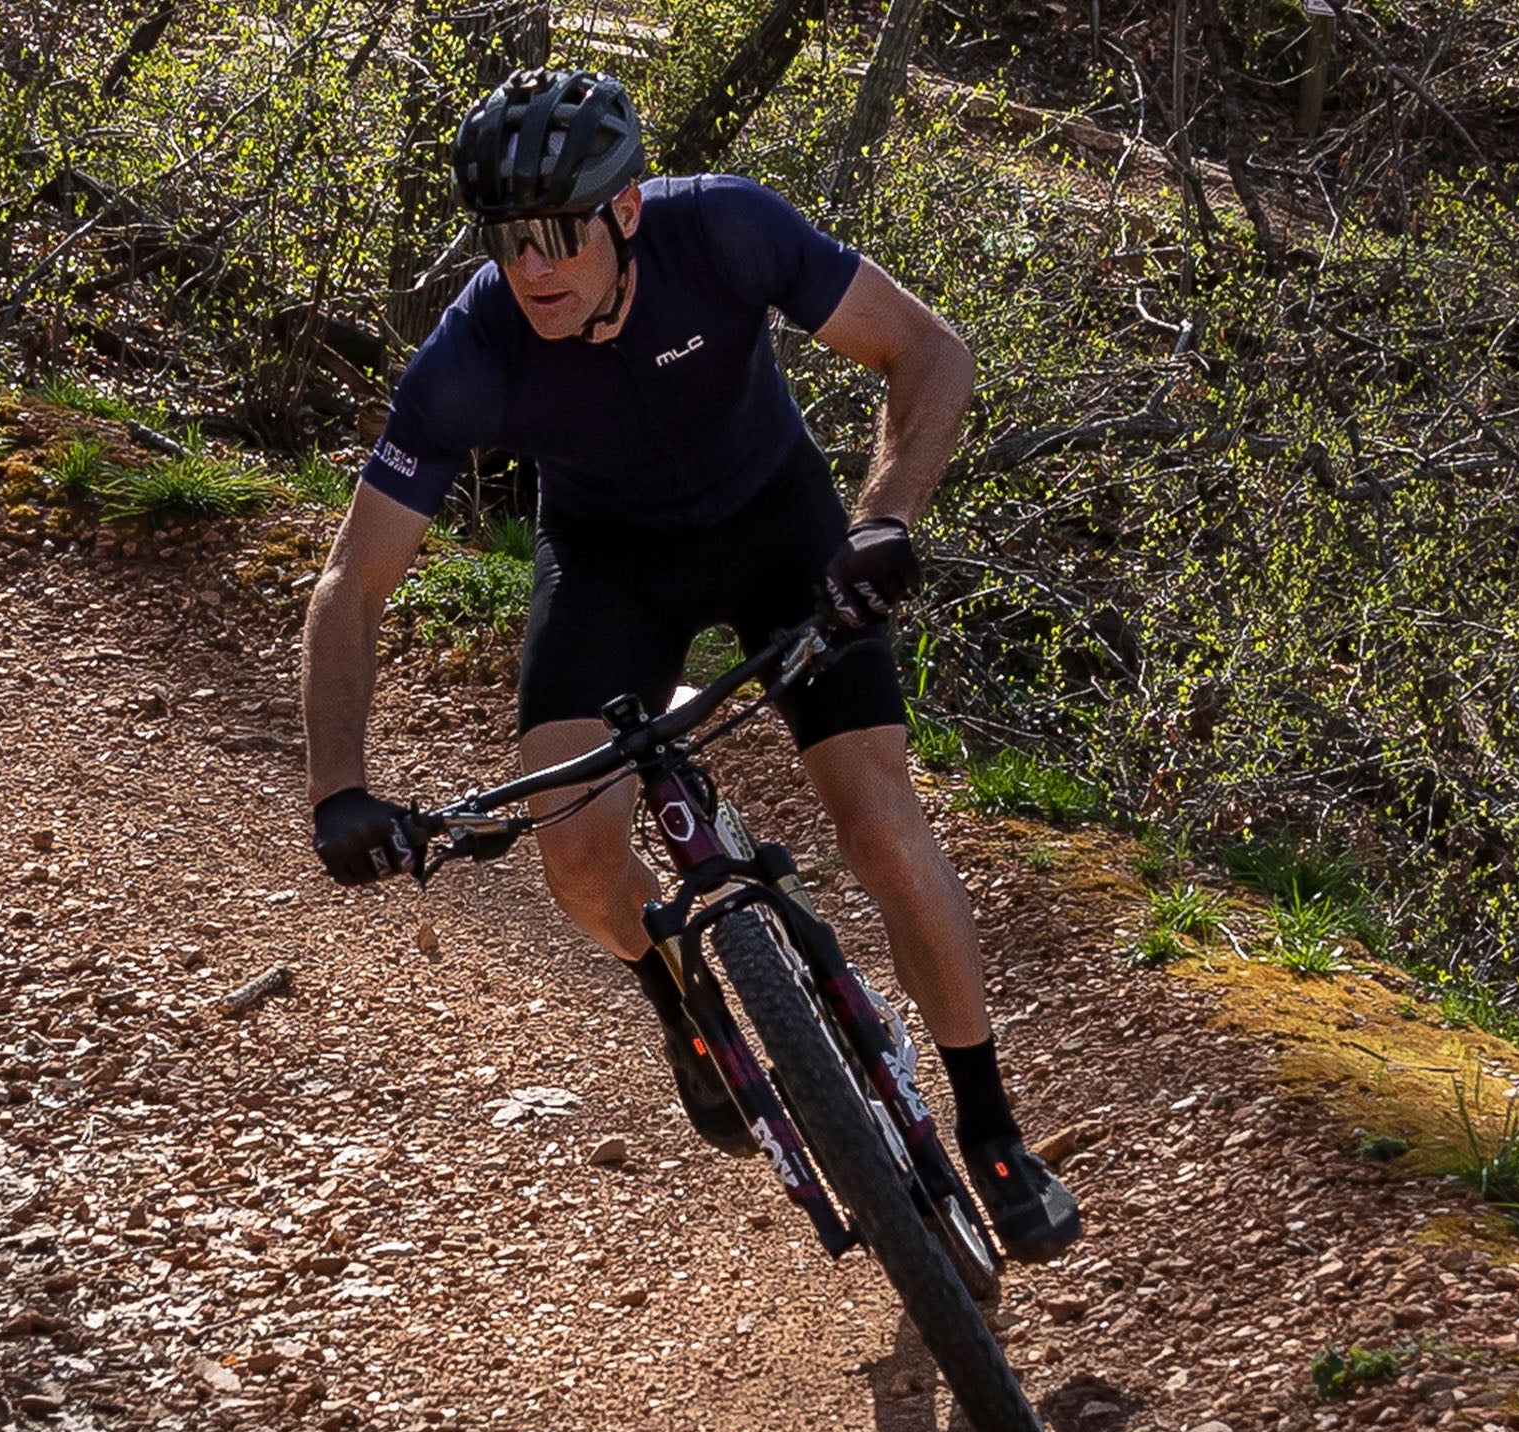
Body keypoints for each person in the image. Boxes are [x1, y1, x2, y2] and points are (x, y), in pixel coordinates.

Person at [301, 67, 1079, 1262]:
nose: (533, 270)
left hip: (779, 526)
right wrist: (338, 787)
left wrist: (884, 520)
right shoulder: (475, 348)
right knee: (574, 853)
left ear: (623, 212)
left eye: (558, 235)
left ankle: (990, 1126)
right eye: (508, 244)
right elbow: (353, 581)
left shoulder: (724, 225)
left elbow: (928, 351)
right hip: (610, 566)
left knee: (878, 823)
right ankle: (678, 995)